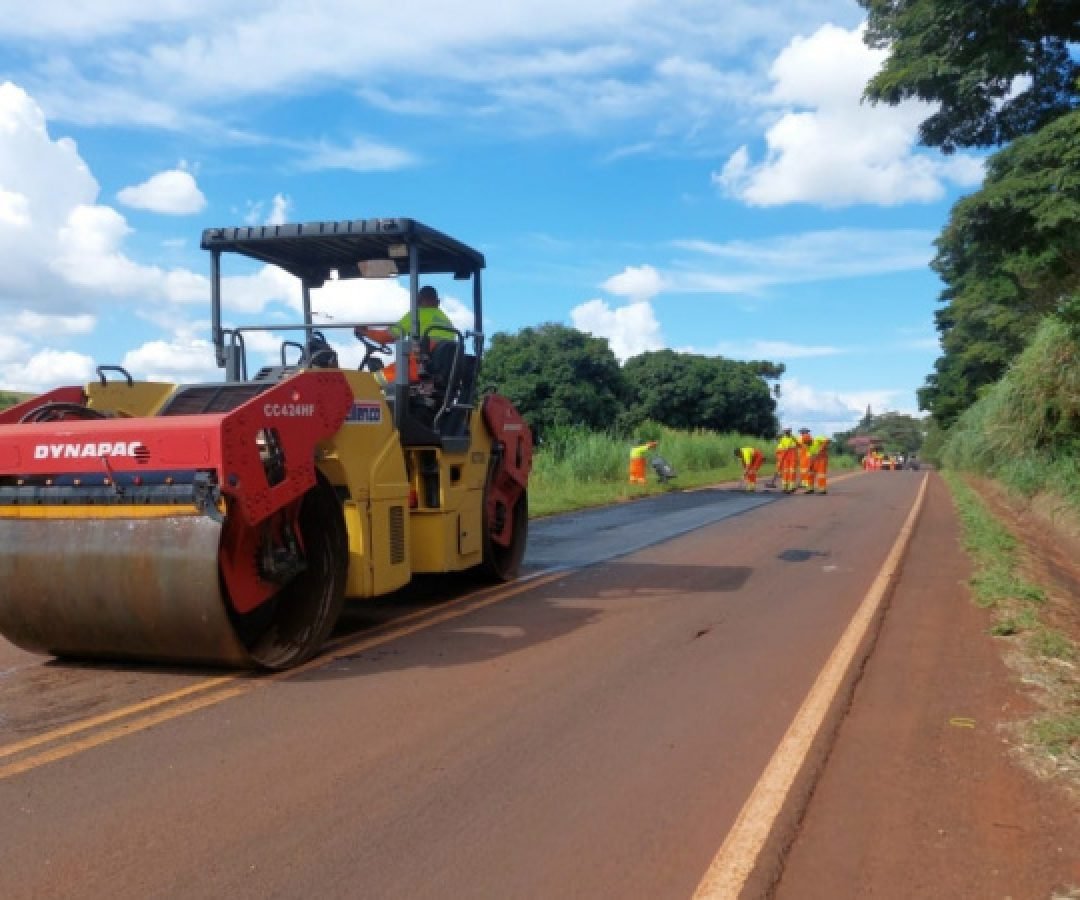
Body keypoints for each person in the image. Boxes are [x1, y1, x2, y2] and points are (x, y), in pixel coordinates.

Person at [355, 285, 456, 383]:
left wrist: (365, 332)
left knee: (372, 381)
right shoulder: (446, 320)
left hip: (417, 368)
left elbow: (388, 336)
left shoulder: (417, 314)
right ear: (437, 302)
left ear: (418, 300)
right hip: (438, 371)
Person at [776, 427, 800, 493]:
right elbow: (780, 449)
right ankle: (784, 487)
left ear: (790, 432)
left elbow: (799, 445)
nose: (787, 433)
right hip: (785, 456)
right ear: (784, 432)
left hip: (793, 456)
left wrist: (794, 441)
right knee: (785, 472)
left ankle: (791, 487)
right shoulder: (782, 439)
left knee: (792, 472)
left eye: (788, 431)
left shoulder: (794, 438)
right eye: (786, 432)